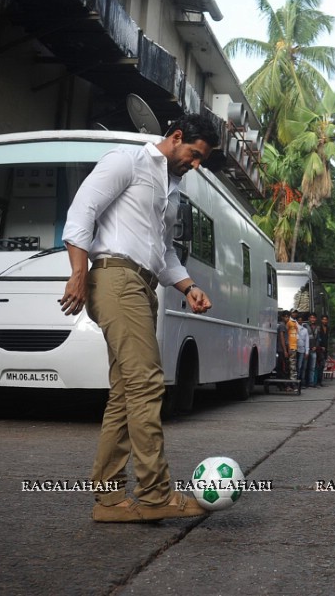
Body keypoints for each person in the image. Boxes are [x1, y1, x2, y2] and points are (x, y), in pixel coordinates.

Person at [59, 112, 218, 523]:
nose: (196, 165)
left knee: (126, 392)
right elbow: (81, 213)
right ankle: (154, 493)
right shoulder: (126, 161)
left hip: (145, 285)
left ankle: (109, 501)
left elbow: (163, 251)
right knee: (147, 383)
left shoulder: (173, 188)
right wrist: (79, 274)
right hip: (114, 278)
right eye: (195, 155)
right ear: (177, 137)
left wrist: (188, 287)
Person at [305, 312, 320, 388]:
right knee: (305, 366)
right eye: (311, 317)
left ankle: (311, 382)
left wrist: (316, 346)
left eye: (314, 318)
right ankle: (304, 382)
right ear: (309, 319)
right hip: (306, 349)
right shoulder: (305, 326)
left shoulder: (317, 327)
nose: (312, 319)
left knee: (312, 367)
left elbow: (318, 339)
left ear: (316, 319)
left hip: (313, 349)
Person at [276, 310, 291, 378]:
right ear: (282, 317)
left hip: (284, 349)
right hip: (281, 349)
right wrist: (285, 350)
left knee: (283, 366)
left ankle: (282, 384)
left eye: (288, 317)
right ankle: (282, 384)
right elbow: (282, 338)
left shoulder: (285, 325)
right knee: (283, 367)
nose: (287, 318)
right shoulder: (282, 325)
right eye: (285, 317)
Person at [316, 315, 330, 387]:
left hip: (325, 349)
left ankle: (320, 381)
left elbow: (327, 339)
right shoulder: (318, 328)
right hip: (319, 349)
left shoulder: (327, 328)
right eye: (323, 320)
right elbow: (317, 338)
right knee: (319, 365)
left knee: (322, 366)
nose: (325, 321)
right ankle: (317, 381)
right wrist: (320, 347)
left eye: (326, 320)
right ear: (321, 320)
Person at [297, 313, 309, 388]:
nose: (300, 322)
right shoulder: (294, 328)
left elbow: (307, 341)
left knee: (302, 367)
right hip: (295, 350)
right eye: (298, 320)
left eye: (301, 320)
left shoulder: (305, 330)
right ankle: (296, 381)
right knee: (297, 367)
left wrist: (307, 351)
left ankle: (302, 382)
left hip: (302, 350)